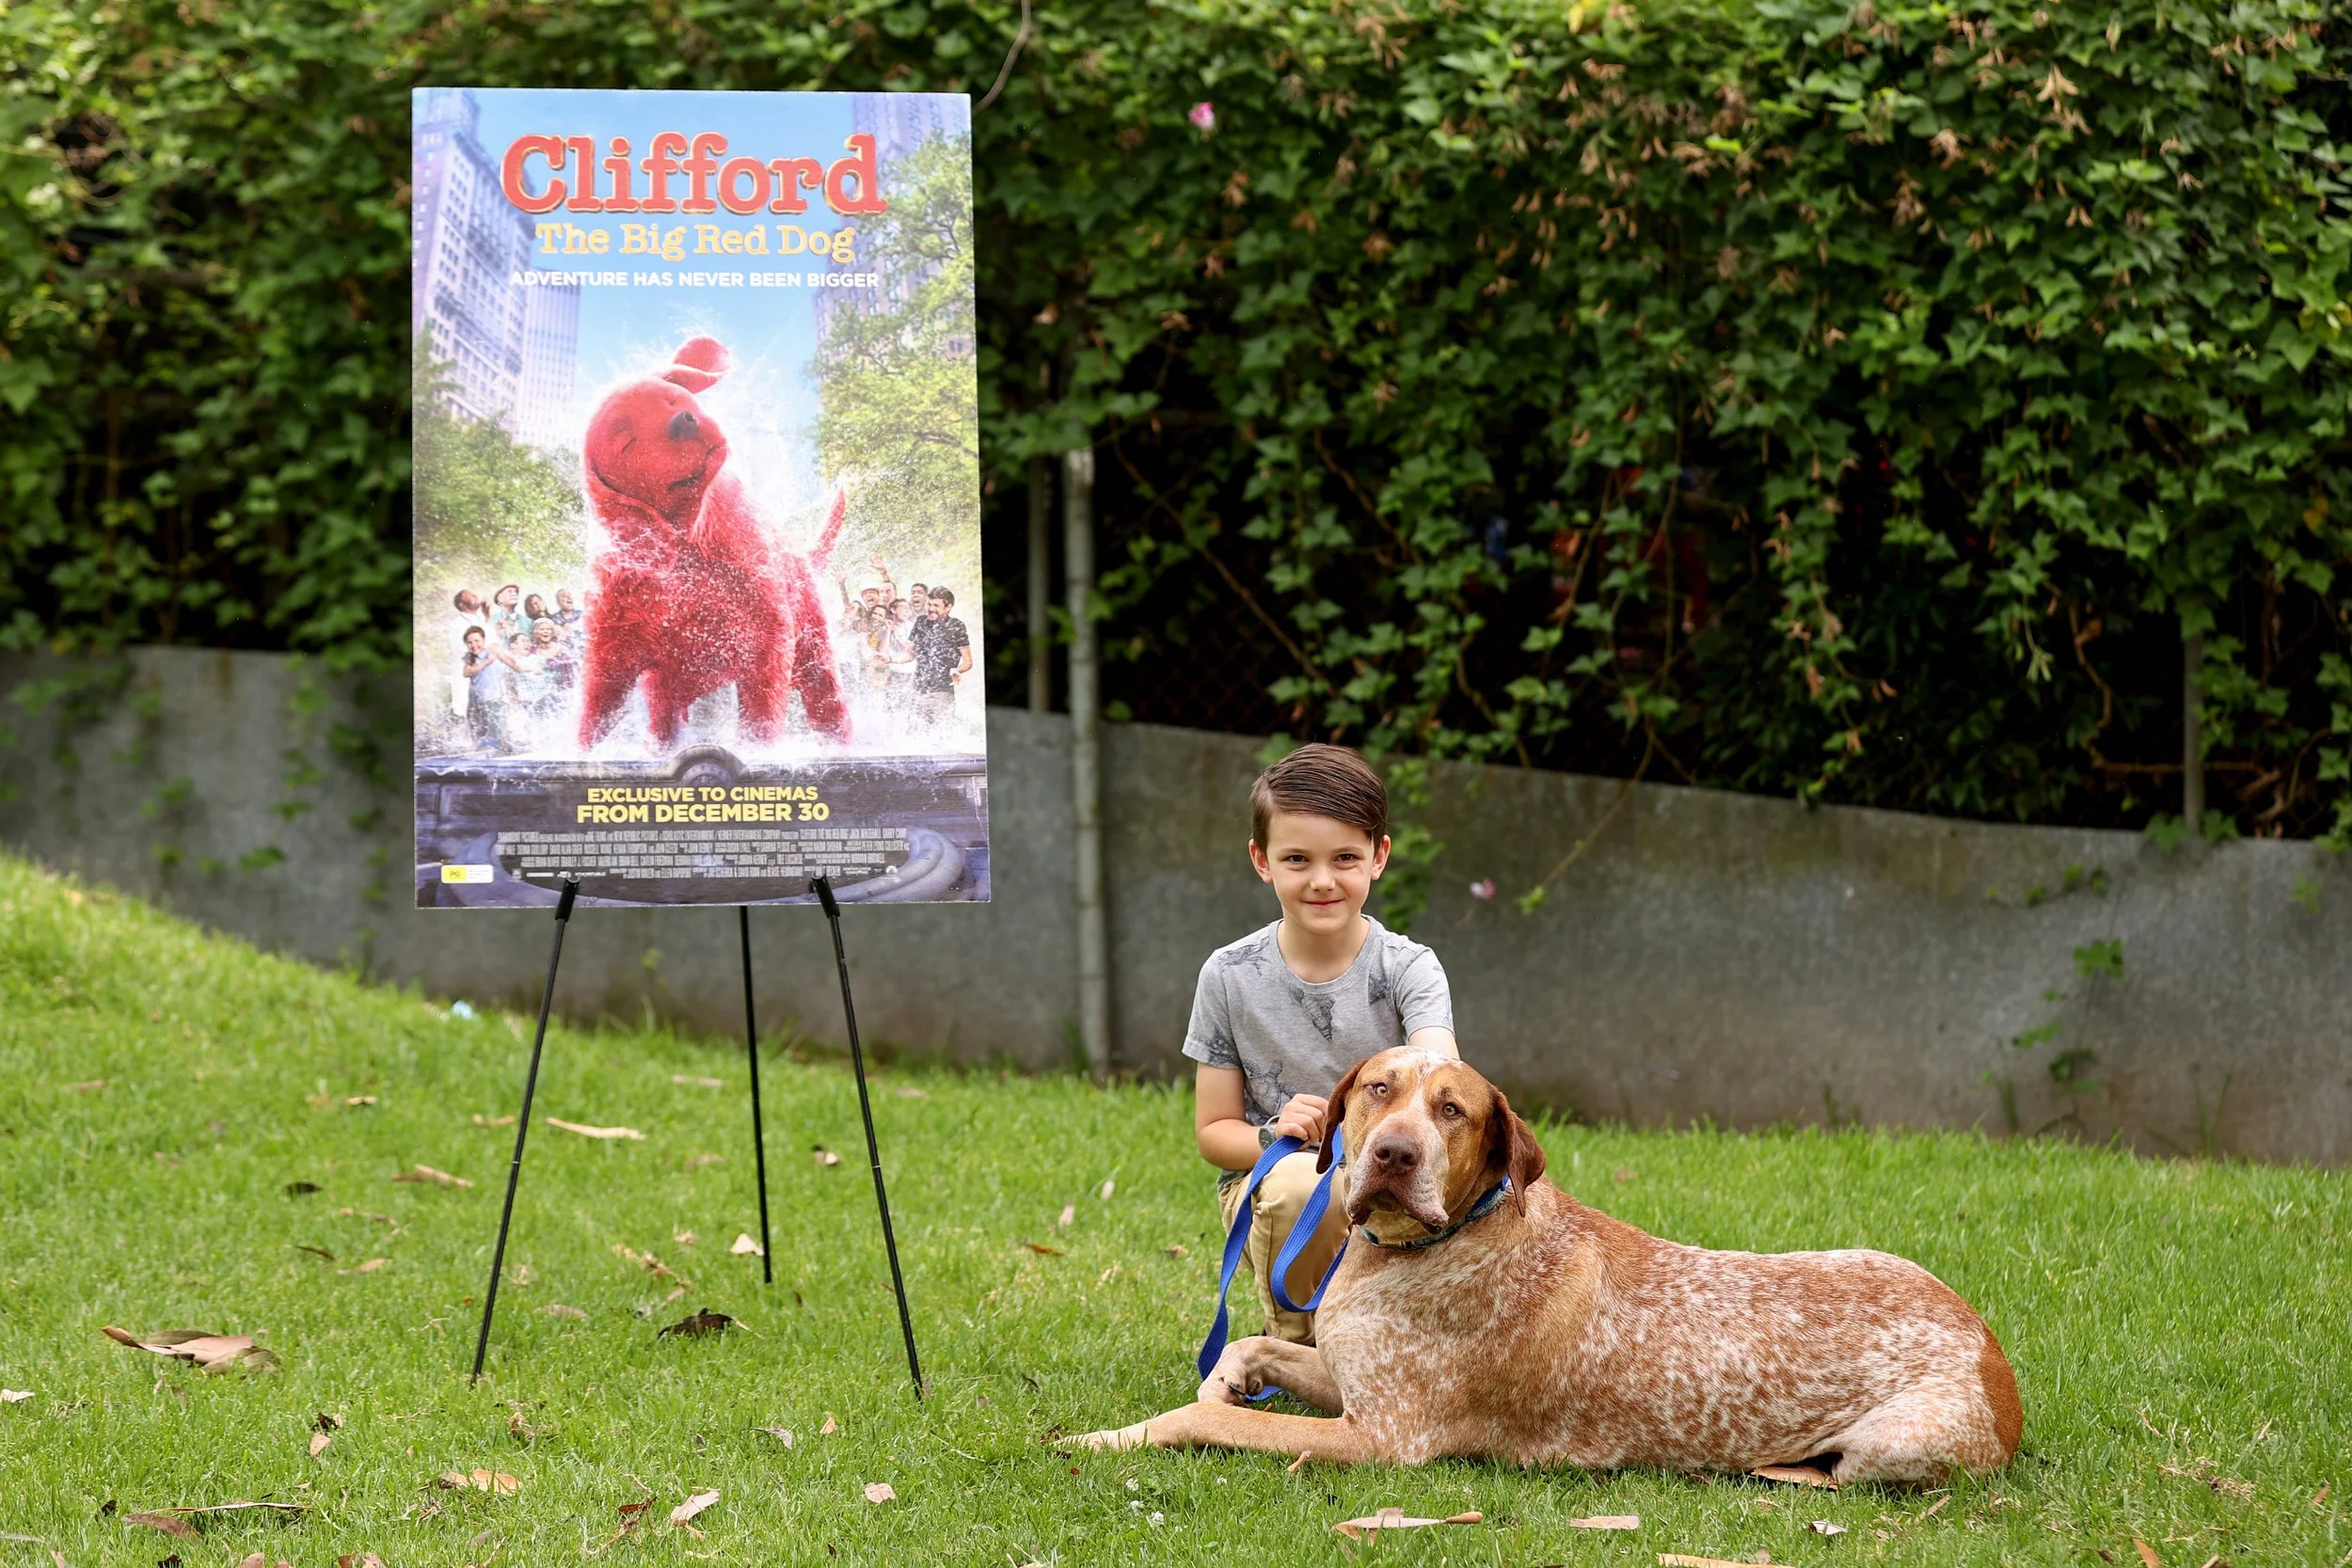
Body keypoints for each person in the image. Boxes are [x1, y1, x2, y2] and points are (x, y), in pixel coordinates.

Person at [1184, 743, 1457, 1345]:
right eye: (1298, 859)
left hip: (1390, 1169)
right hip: (1280, 1185)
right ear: (1262, 860)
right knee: (1306, 1185)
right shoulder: (1228, 975)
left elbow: (1442, 1074)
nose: (1323, 880)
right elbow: (1213, 1133)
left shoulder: (1410, 969)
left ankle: (1414, 1337)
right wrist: (1272, 1134)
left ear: (1379, 857)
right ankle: (1297, 1346)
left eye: (1345, 858)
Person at [913, 586, 972, 728]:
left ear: (948, 607)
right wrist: (889, 659)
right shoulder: (921, 622)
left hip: (942, 693)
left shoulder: (956, 626)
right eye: (929, 604)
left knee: (942, 738)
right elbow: (909, 653)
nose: (931, 608)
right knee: (916, 736)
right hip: (918, 690)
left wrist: (957, 670)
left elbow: (968, 661)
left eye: (936, 605)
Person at [459, 626, 507, 752]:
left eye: (477, 641)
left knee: (496, 730)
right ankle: (481, 753)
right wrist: (487, 661)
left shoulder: (492, 651)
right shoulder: (469, 657)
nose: (473, 645)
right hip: (477, 703)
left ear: (484, 640)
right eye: (469, 642)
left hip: (494, 700)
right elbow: (467, 672)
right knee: (478, 731)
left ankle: (499, 751)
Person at [488, 582, 527, 648]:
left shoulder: (527, 621)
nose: (514, 594)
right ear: (499, 598)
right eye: (510, 591)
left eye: (516, 592)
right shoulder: (491, 620)